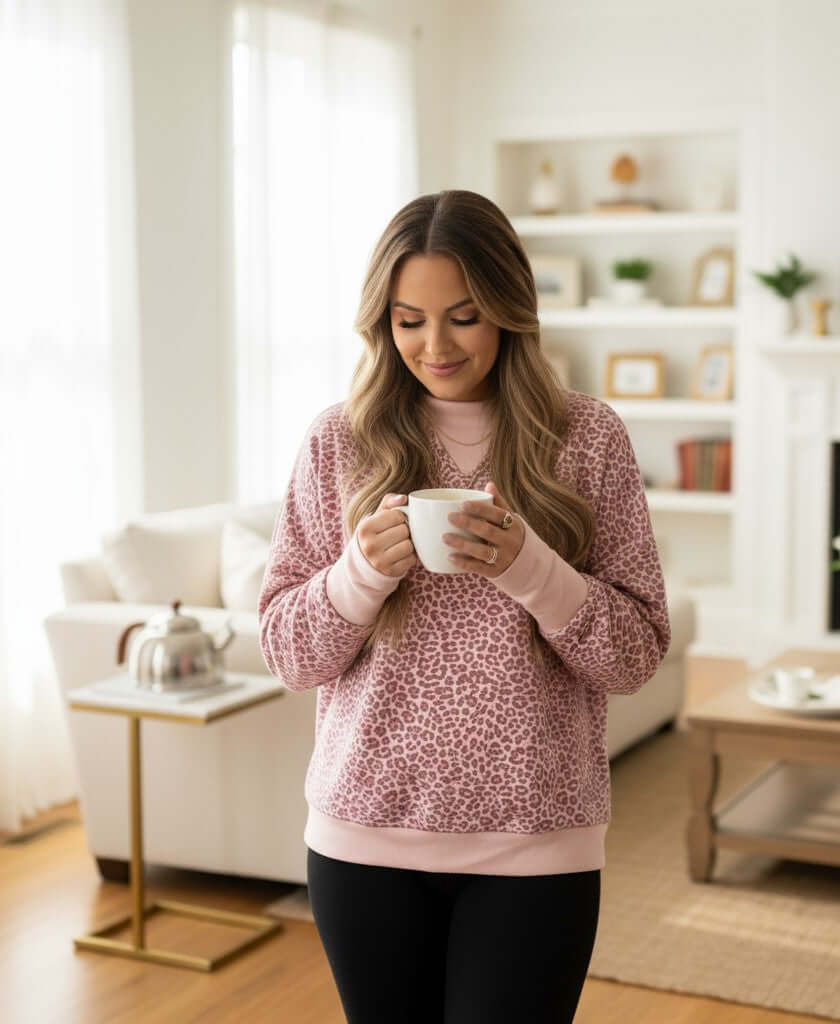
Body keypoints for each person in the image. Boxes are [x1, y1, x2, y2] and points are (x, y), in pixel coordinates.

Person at [258, 189, 672, 1024]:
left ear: (510, 310)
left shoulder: (587, 437)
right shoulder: (339, 440)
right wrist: (358, 576)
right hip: (363, 837)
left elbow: (633, 656)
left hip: (537, 844)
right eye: (409, 321)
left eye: (464, 317)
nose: (435, 346)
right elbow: (287, 654)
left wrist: (531, 568)